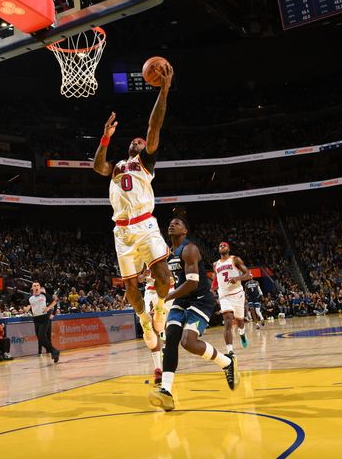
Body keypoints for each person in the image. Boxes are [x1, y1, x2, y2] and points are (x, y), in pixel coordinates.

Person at [91, 63, 177, 351]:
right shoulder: (116, 167)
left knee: (163, 276)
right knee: (130, 288)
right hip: (121, 232)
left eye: (142, 142)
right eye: (135, 141)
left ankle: (161, 307)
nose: (139, 141)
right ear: (128, 147)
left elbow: (154, 126)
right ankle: (143, 320)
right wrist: (105, 137)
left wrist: (163, 91)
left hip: (145, 224)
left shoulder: (145, 163)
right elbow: (96, 166)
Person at [148, 214, 238, 412]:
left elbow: (192, 283)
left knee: (188, 342)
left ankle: (226, 362)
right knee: (171, 337)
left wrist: (166, 298)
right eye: (171, 223)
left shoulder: (189, 249)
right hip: (182, 299)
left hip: (200, 299)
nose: (172, 224)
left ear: (185, 231)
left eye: (177, 223)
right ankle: (166, 391)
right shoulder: (169, 253)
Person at [213, 242, 252, 354]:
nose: (222, 247)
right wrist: (212, 288)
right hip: (224, 295)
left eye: (224, 245)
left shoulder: (235, 259)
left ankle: (242, 334)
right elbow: (216, 278)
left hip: (237, 293)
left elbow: (248, 274)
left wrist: (237, 278)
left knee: (240, 321)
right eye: (220, 246)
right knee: (228, 320)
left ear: (228, 248)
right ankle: (230, 352)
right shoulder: (215, 264)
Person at [141, 268, 173, 384]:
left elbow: (172, 279)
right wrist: (143, 275)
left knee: (164, 325)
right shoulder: (141, 257)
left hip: (167, 291)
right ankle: (158, 369)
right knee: (151, 327)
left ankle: (164, 343)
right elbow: (138, 280)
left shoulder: (165, 255)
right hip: (150, 292)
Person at [26, 282, 60, 363]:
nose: (36, 287)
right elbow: (27, 306)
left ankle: (53, 351)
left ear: (39, 287)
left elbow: (54, 302)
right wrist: (26, 308)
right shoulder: (30, 298)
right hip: (36, 319)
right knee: (40, 339)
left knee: (42, 336)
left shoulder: (44, 295)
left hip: (44, 318)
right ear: (32, 288)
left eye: (37, 285)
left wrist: (48, 308)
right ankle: (54, 351)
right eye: (34, 286)